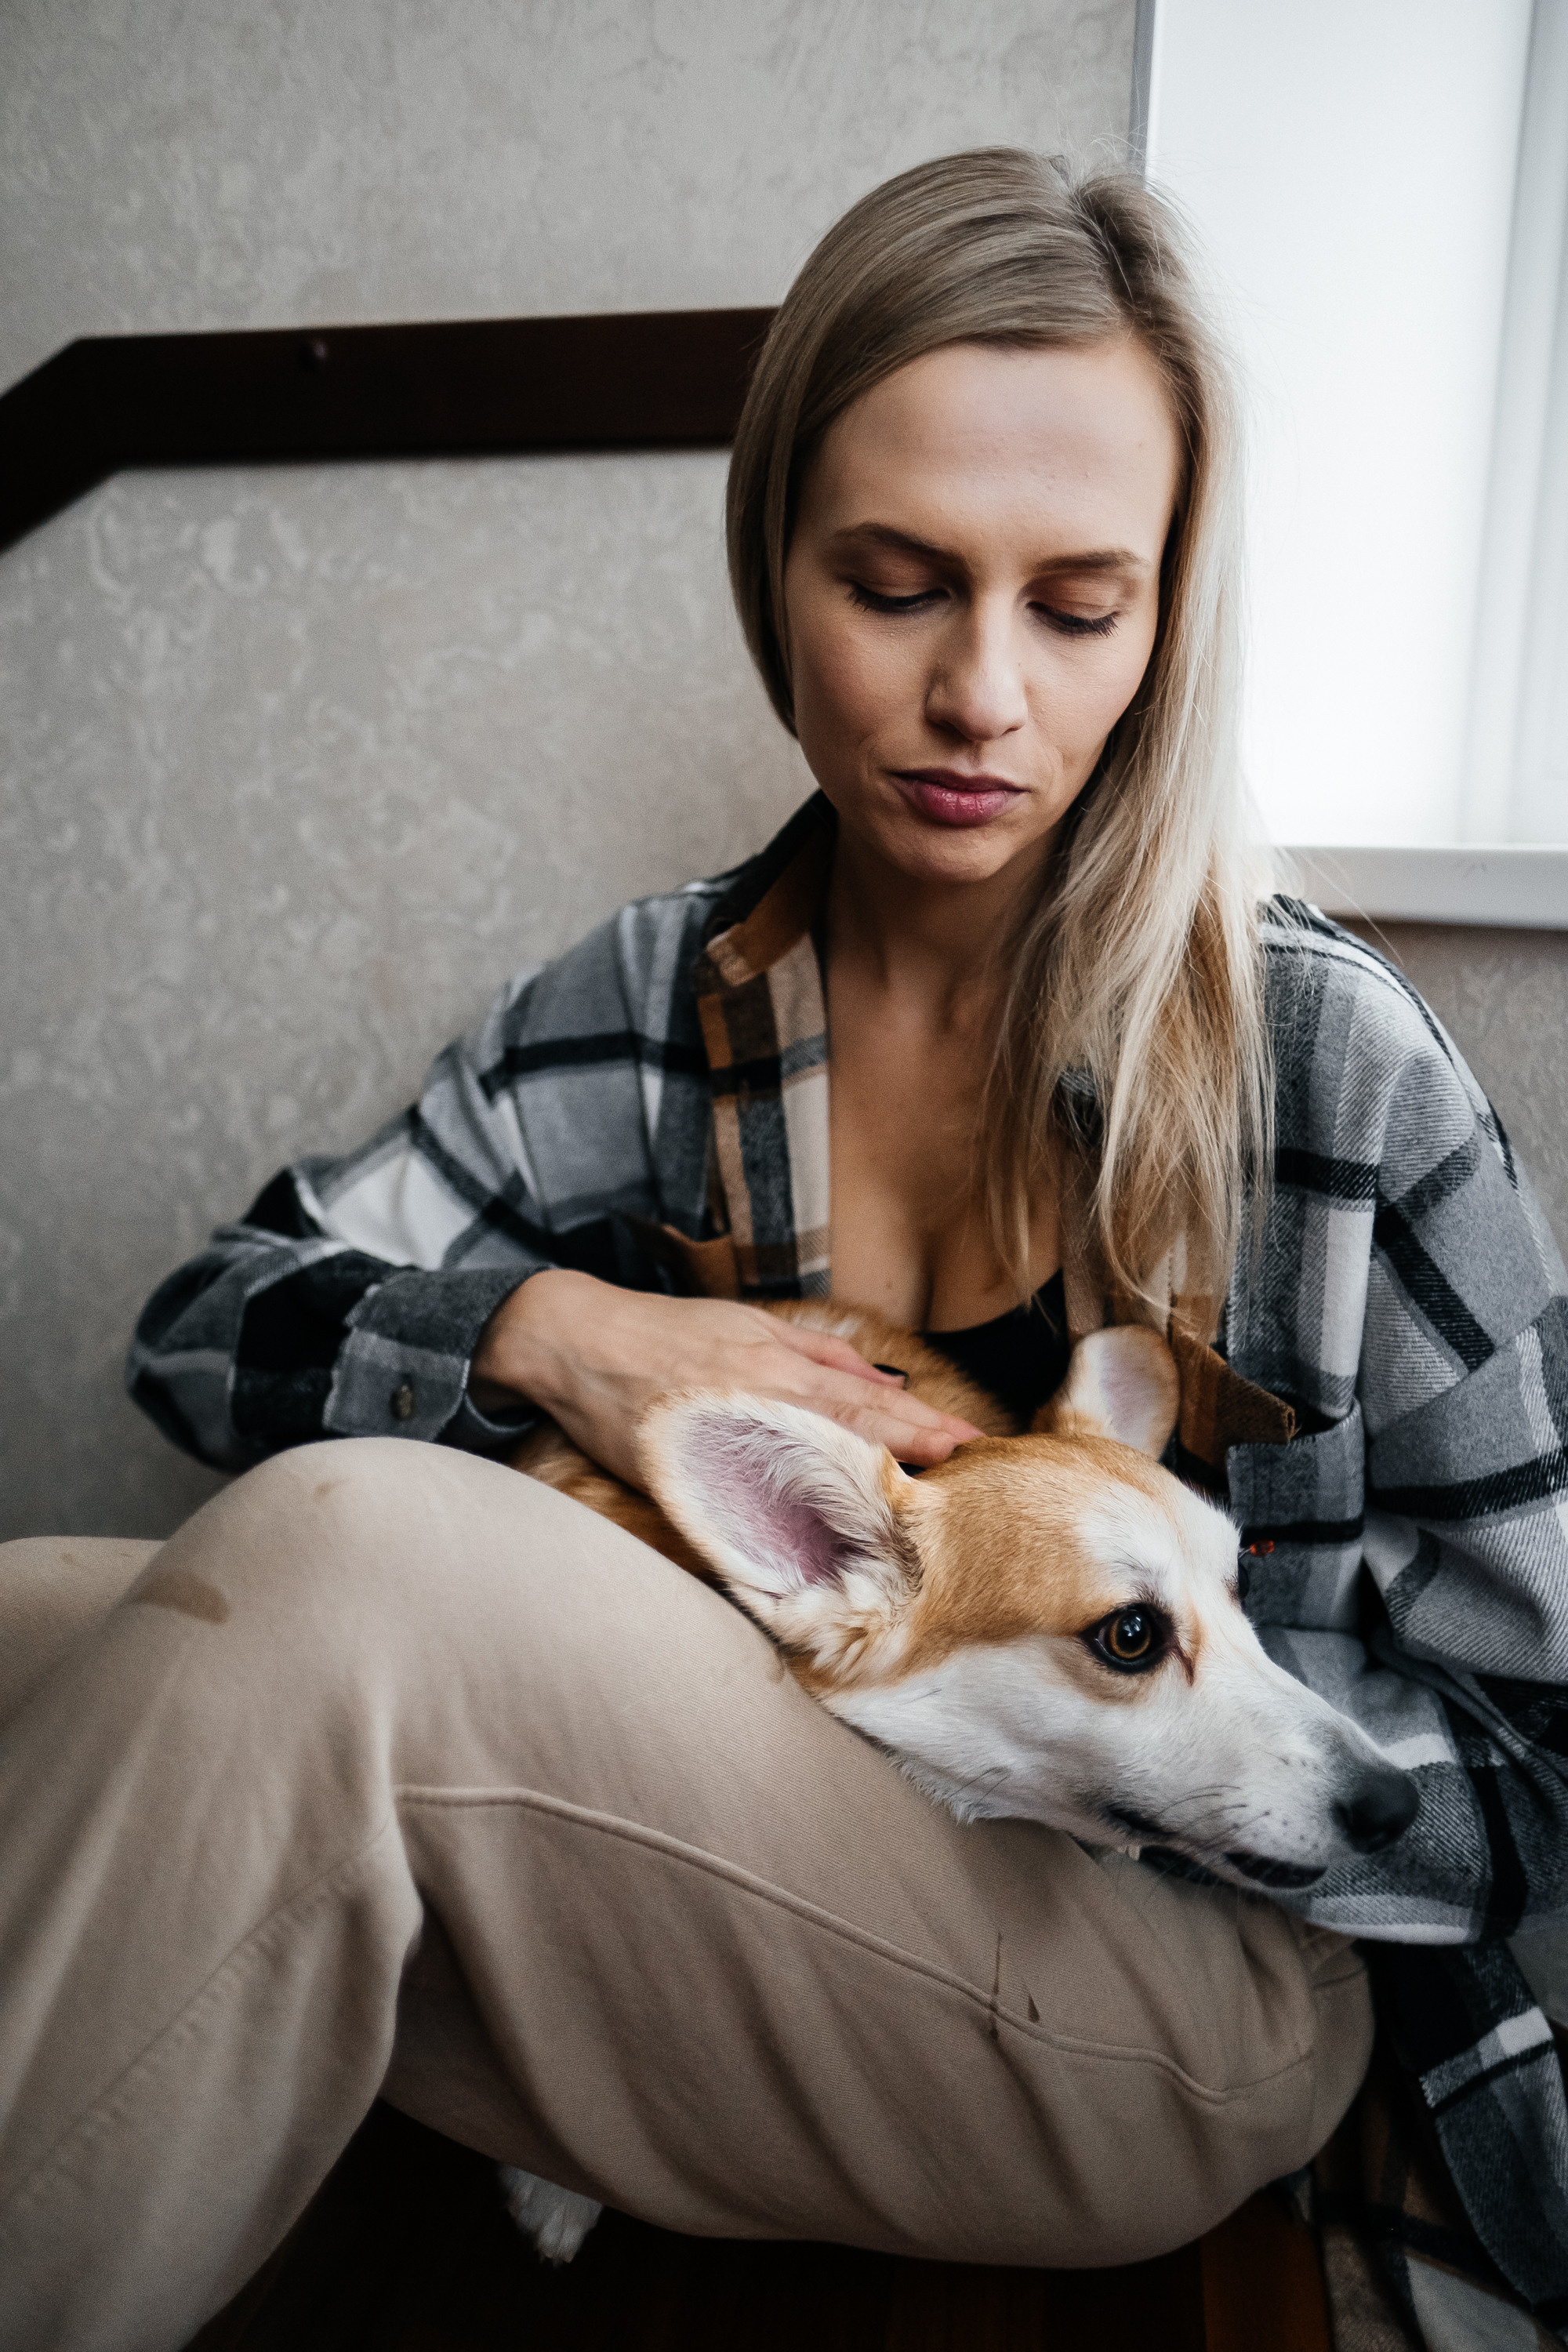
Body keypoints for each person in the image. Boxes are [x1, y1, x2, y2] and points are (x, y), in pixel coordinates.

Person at [2, 150, 1566, 2352]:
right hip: (741, 1889)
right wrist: (565, 1335)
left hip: (1216, 1983)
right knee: (42, 1621)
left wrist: (1054, 1730)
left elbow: (1533, 1754)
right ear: (774, 575)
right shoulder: (647, 1005)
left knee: (347, 1569)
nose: (982, 694)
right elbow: (204, 1328)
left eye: (1079, 606)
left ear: (1169, 619)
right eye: (899, 584)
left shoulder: (1336, 1075)